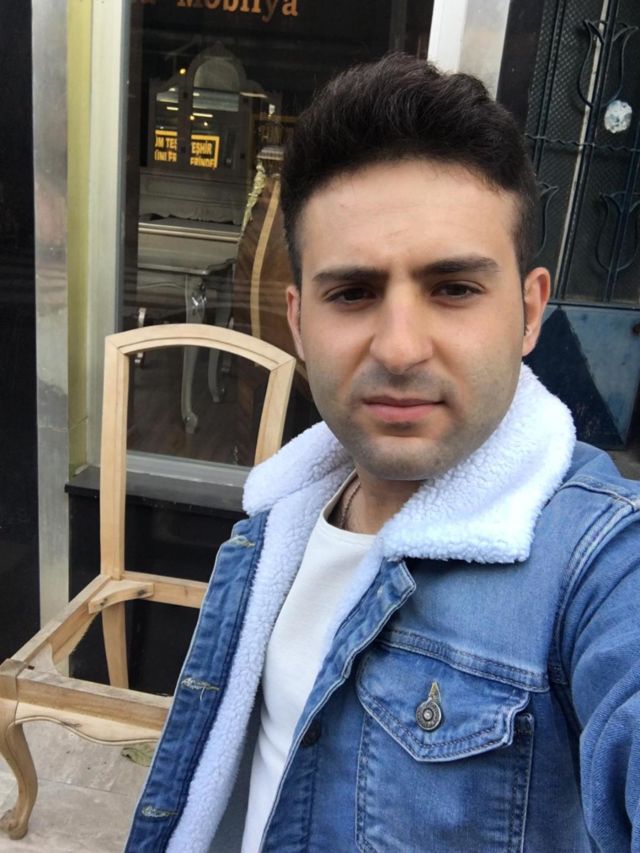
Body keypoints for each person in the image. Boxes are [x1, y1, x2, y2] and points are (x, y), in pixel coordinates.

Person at [126, 54, 640, 852]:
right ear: (299, 322)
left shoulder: (600, 567)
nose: (400, 348)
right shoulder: (279, 523)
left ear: (530, 311)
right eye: (353, 293)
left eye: (454, 288)